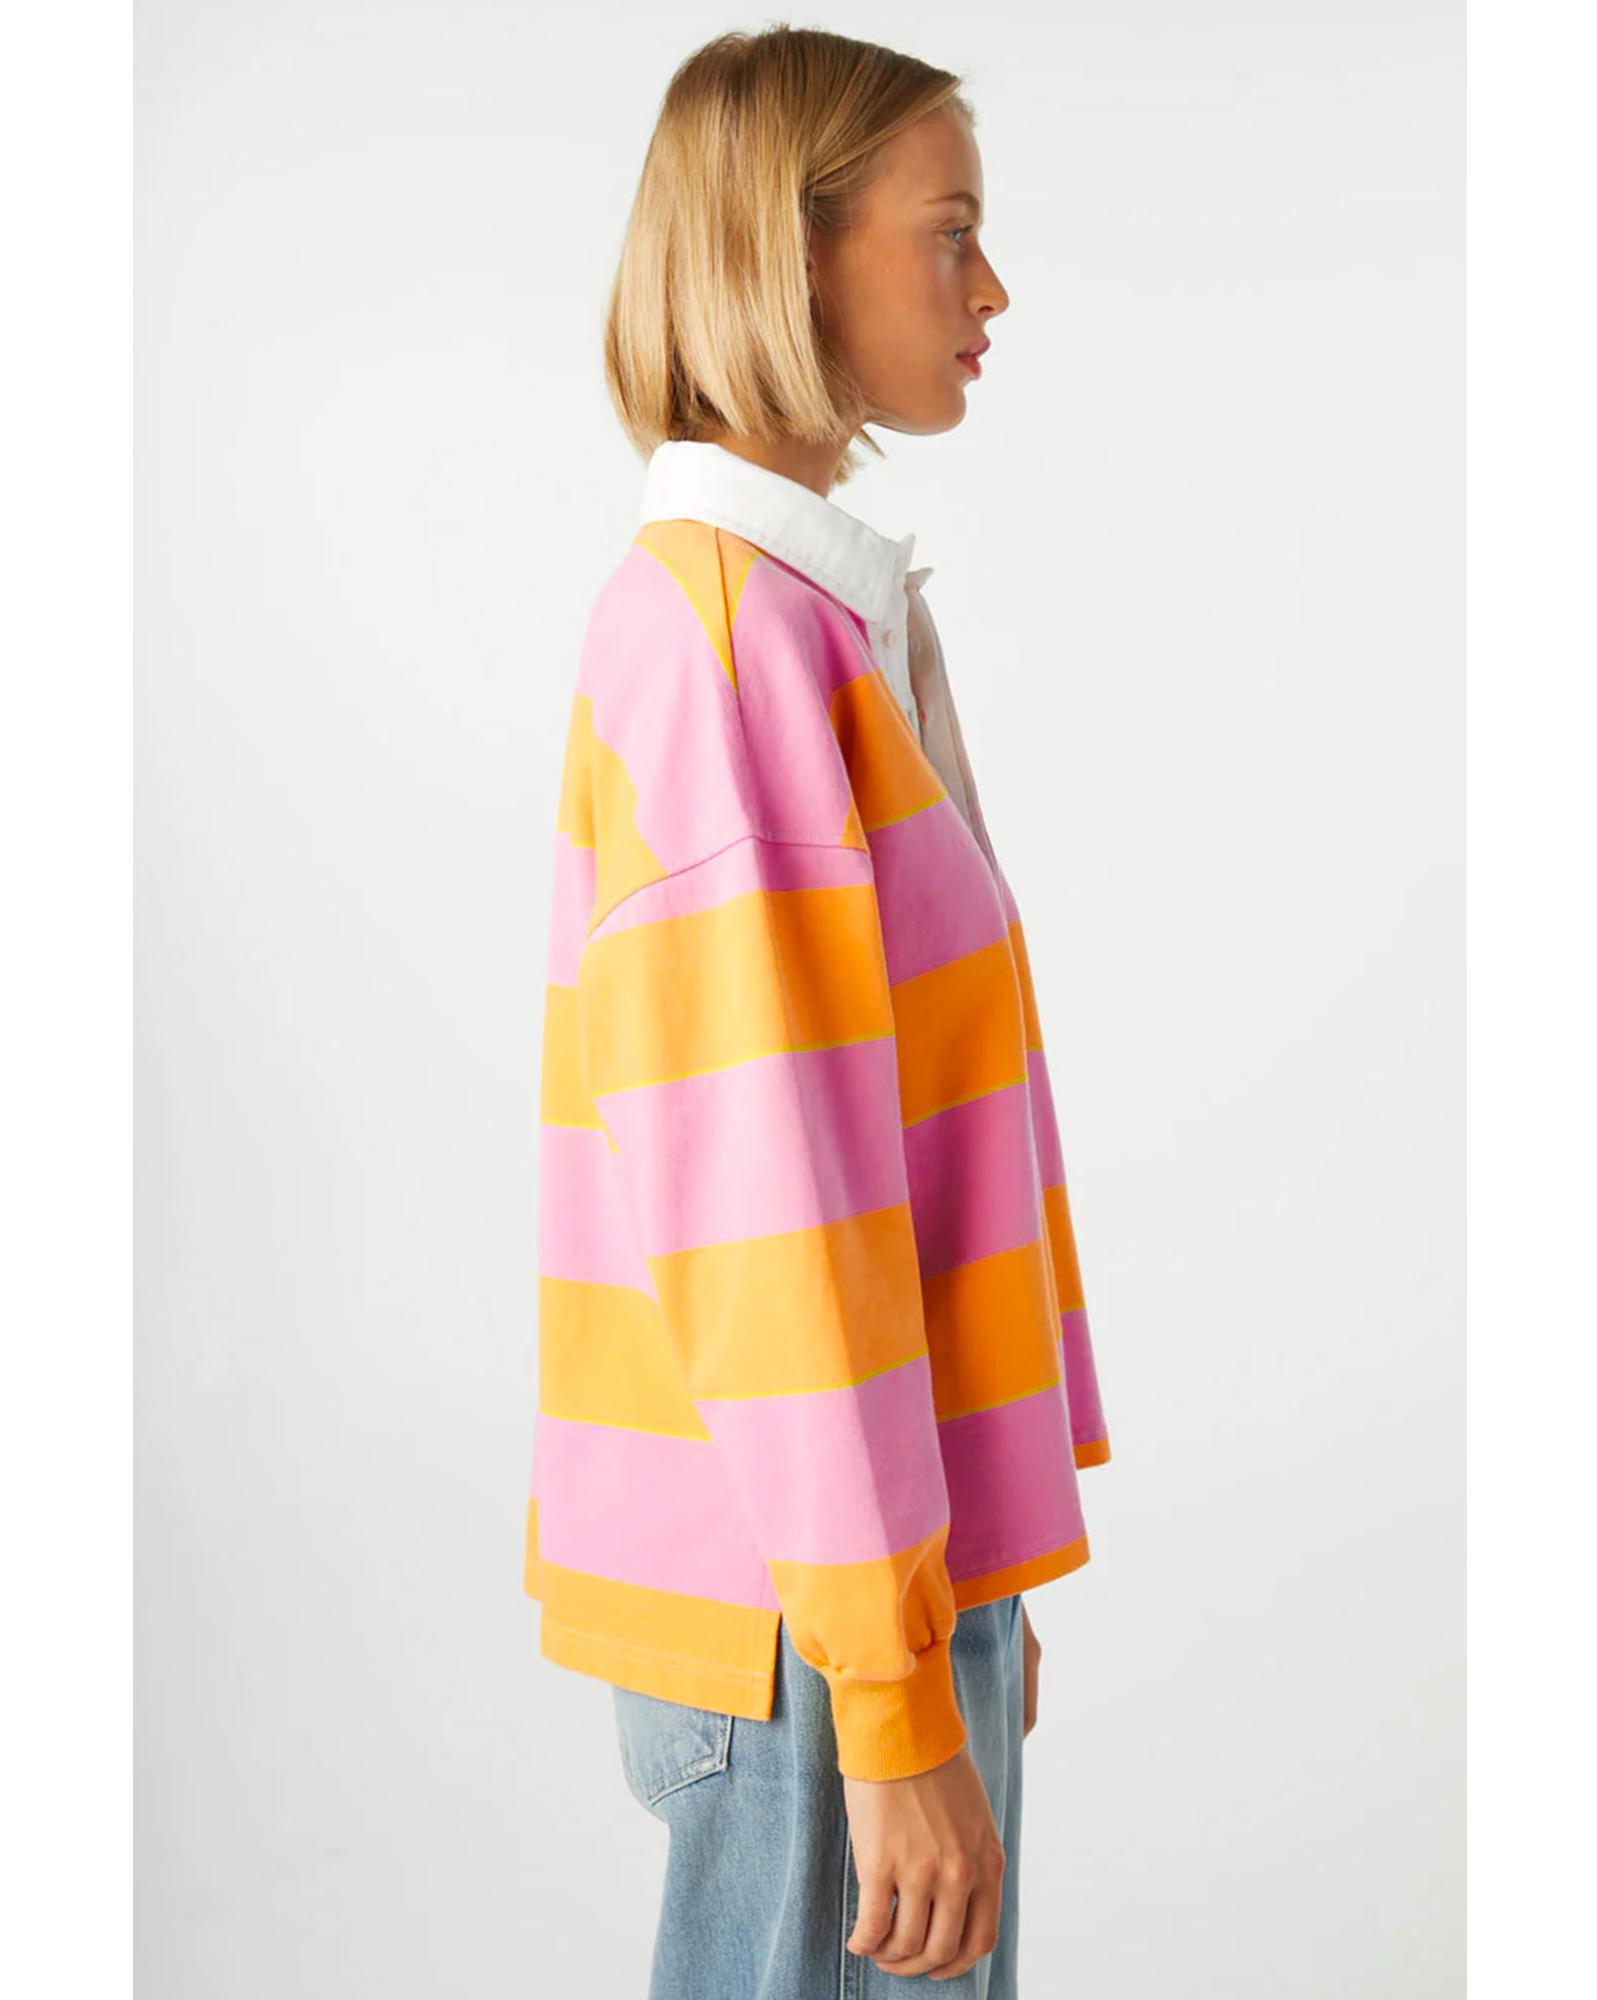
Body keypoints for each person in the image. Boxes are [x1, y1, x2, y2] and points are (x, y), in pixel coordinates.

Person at [525, 26, 1112, 1996]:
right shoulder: (723, 646)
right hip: (800, 1615)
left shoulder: (815, 622)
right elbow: (765, 1217)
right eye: (949, 231)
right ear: (788, 252)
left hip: (863, 1583)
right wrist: (886, 1676)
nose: (989, 288)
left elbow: (897, 1163)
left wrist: (962, 1588)